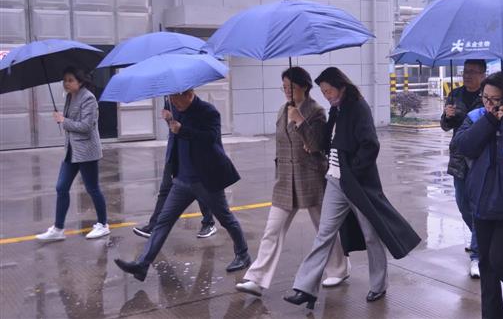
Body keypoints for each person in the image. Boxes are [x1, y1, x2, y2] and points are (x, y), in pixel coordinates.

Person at [283, 67, 421, 309]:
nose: (326, 96)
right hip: (335, 181)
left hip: (357, 184)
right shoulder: (336, 109)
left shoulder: (358, 107)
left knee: (371, 236)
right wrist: (304, 127)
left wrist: (354, 172)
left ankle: (378, 285)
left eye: (329, 91)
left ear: (342, 86)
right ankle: (305, 288)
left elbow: (370, 144)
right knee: (324, 234)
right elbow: (327, 142)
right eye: (323, 92)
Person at [235, 67, 350, 297]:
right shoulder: (283, 109)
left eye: (291, 87)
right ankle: (256, 279)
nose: (287, 91)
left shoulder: (316, 111)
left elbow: (317, 145)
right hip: (285, 181)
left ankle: (339, 269)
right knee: (272, 231)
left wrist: (299, 121)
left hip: (311, 178)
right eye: (284, 87)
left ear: (304, 86)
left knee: (324, 229)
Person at [113, 89, 251, 281]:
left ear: (189, 94)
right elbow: (176, 133)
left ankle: (243, 254)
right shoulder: (175, 109)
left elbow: (211, 138)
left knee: (226, 218)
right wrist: (170, 120)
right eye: (171, 99)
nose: (174, 103)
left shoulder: (208, 111)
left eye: (176, 100)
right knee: (163, 221)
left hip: (206, 179)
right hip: (182, 180)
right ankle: (142, 265)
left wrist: (182, 129)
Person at [452, 72, 503, 319]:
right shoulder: (476, 117)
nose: (488, 103)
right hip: (481, 200)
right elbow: (463, 146)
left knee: (498, 258)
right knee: (486, 265)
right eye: (485, 97)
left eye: (495, 99)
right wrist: (489, 120)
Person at [36, 67, 110, 241]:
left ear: (80, 81)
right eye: (65, 80)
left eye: (70, 80)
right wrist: (64, 120)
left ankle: (103, 224)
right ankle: (58, 229)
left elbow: (86, 127)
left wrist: (64, 120)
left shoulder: (88, 98)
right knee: (61, 187)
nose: (66, 83)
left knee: (92, 188)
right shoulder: (70, 96)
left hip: (87, 151)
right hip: (71, 151)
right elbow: (72, 123)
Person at [133, 98, 217, 240]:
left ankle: (209, 223)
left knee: (199, 190)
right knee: (165, 190)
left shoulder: (193, 102)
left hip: (191, 154)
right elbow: (173, 126)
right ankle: (153, 226)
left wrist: (179, 126)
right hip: (174, 152)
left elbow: (196, 128)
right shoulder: (169, 99)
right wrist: (168, 119)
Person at [440, 59, 486, 278]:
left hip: (481, 159)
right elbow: (444, 126)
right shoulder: (455, 95)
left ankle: (477, 255)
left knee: (478, 207)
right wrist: (447, 116)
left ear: (483, 74)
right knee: (463, 204)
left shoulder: (488, 95)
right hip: (459, 158)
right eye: (465, 71)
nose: (467, 75)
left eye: (472, 72)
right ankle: (480, 237)